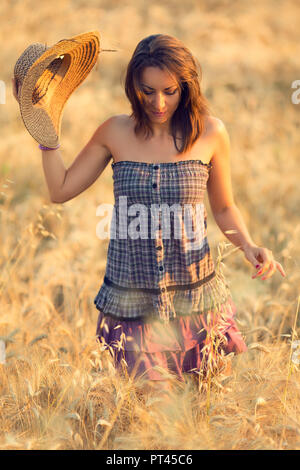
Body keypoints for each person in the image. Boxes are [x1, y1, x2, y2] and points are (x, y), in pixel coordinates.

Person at [12, 34, 286, 397]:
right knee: (149, 418)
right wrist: (46, 135)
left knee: (202, 419)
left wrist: (249, 246)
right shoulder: (115, 131)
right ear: (132, 87)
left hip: (199, 302)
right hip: (133, 305)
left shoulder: (211, 133)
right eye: (147, 90)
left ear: (186, 88)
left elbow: (222, 207)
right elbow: (60, 190)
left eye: (170, 91)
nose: (158, 102)